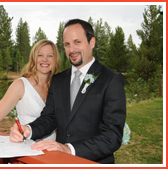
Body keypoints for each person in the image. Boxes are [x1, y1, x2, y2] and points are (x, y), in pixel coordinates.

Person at [10, 19, 126, 164]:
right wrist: (29, 129)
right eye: (67, 44)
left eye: (77, 42)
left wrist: (68, 149)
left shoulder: (111, 80)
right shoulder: (58, 80)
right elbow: (49, 118)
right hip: (60, 162)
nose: (72, 50)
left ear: (92, 42)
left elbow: (112, 137)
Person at [0, 39, 61, 141]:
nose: (45, 59)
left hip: (52, 151)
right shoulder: (21, 85)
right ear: (33, 58)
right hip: (27, 148)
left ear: (55, 59)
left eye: (50, 55)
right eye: (40, 55)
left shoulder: (58, 86)